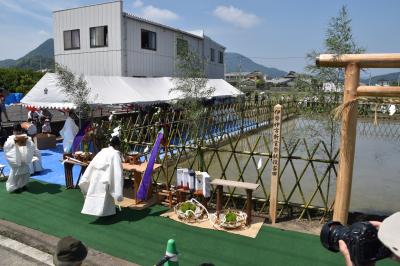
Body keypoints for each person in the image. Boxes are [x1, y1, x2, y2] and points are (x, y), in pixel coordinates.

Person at [78, 136, 124, 216]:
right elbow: (117, 171)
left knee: (96, 194)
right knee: (105, 195)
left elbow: (92, 164)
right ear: (116, 145)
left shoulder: (102, 152)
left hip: (95, 176)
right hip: (105, 177)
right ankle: (106, 212)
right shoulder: (115, 154)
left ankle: (97, 211)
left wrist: (87, 177)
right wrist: (118, 191)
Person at [3, 124, 35, 192]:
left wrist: (27, 141)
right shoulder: (10, 139)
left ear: (21, 131)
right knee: (15, 174)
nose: (17, 132)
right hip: (16, 160)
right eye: (16, 131)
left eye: (19, 131)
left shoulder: (26, 137)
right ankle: (13, 187)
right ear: (13, 131)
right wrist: (14, 142)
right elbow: (6, 147)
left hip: (24, 159)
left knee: (25, 173)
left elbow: (31, 145)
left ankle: (23, 185)